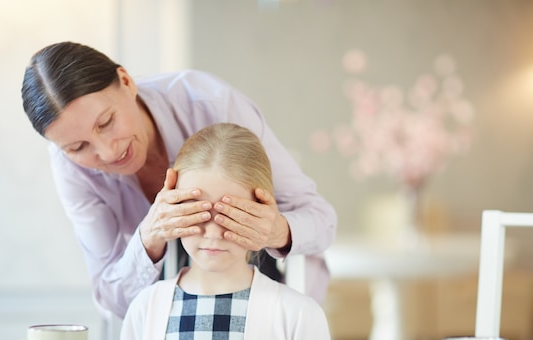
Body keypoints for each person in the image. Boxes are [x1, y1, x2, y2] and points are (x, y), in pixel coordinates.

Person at [21, 41, 337, 319]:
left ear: (126, 81)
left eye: (106, 122)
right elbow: (109, 295)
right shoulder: (70, 167)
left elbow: (321, 220)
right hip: (162, 319)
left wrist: (276, 230)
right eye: (78, 147)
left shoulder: (210, 104)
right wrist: (148, 237)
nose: (107, 152)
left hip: (270, 294)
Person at [119, 123, 337, 340]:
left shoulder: (299, 314)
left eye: (229, 216)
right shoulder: (144, 308)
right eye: (196, 212)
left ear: (262, 212)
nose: (212, 233)